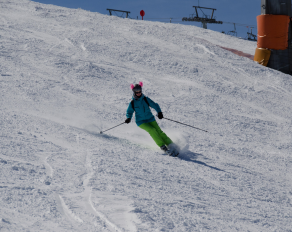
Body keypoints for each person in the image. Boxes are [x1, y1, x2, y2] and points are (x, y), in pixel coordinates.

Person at [125, 82, 179, 156]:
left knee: (159, 132)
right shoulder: (133, 102)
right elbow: (129, 111)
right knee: (152, 130)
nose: (138, 93)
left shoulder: (145, 99)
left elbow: (154, 105)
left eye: (139, 91)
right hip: (141, 122)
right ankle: (163, 147)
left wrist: (159, 112)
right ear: (134, 92)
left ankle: (171, 144)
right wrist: (128, 118)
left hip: (150, 118)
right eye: (136, 92)